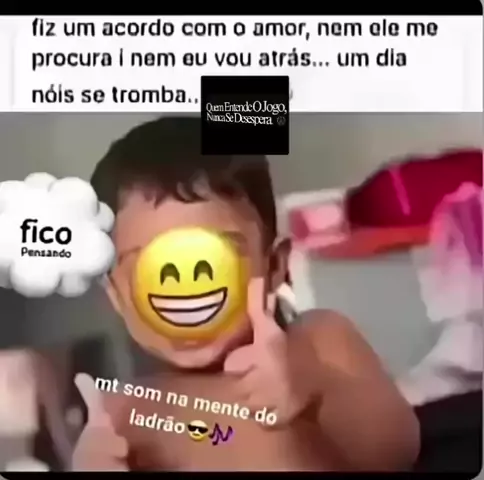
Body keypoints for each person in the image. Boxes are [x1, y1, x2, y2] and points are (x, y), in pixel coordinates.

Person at [72, 116, 419, 472]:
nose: (183, 283)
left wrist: (314, 389)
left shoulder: (319, 343)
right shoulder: (125, 414)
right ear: (117, 294)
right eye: (147, 267)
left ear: (274, 266)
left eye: (215, 258)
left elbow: (398, 449)